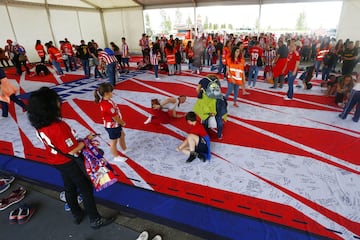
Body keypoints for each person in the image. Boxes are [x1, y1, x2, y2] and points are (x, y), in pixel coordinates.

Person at [27, 86, 115, 229]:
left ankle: (77, 213)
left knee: (69, 186)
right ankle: (95, 219)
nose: (59, 102)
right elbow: (73, 149)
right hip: (69, 161)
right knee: (86, 189)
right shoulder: (58, 126)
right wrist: (87, 140)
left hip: (56, 161)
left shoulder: (40, 124)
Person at [94, 83, 128, 162]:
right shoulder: (107, 105)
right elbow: (115, 117)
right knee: (113, 141)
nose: (113, 93)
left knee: (122, 135)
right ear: (106, 93)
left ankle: (124, 149)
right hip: (112, 126)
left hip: (115, 125)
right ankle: (116, 156)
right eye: (111, 92)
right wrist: (122, 122)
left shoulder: (107, 101)